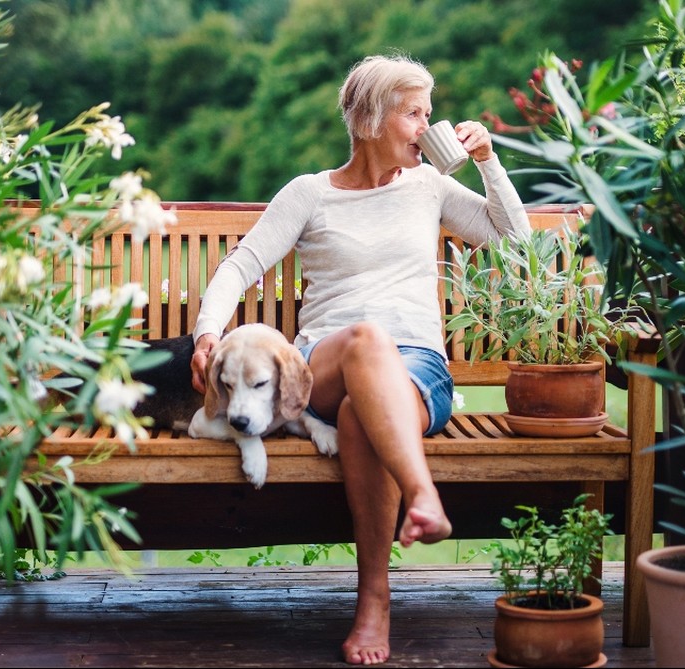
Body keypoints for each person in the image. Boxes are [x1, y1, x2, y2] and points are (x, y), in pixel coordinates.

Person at [189, 53, 531, 666]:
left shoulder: (430, 186)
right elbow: (241, 264)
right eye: (415, 114)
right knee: (367, 339)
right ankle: (423, 495)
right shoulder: (309, 194)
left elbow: (516, 243)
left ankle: (374, 601)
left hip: (417, 369)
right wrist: (206, 334)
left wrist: (487, 161)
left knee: (357, 418)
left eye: (431, 113)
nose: (429, 128)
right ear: (372, 119)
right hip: (322, 362)